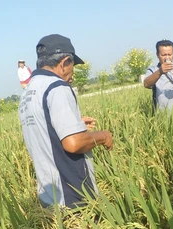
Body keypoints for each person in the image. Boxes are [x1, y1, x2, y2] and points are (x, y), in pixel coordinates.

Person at [18, 34, 113, 209]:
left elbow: (45, 131)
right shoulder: (57, 86)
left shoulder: (28, 93)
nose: (72, 74)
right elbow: (73, 143)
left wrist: (75, 124)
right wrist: (102, 136)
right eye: (73, 66)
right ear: (65, 62)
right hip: (73, 197)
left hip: (49, 199)